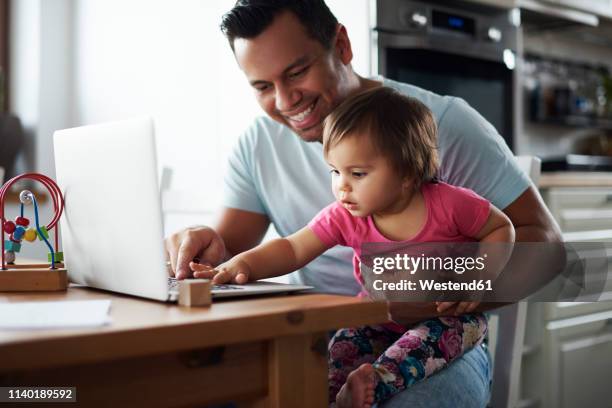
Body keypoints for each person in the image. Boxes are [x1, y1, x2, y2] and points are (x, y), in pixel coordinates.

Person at [164, 1, 562, 406]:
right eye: (263, 87)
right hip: (329, 332)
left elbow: (547, 249)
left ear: (341, 45)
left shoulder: (440, 126)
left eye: (297, 72)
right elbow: (237, 252)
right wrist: (207, 247)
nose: (284, 101)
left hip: (441, 339)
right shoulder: (259, 143)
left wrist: (451, 288)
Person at [189, 87, 515, 407]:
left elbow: (501, 227)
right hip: (376, 316)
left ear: (408, 172)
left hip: (451, 319)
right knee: (340, 347)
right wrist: (240, 266)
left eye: (357, 173)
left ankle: (373, 381)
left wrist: (479, 276)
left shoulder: (451, 204)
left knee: (419, 348)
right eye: (335, 171)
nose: (341, 186)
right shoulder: (346, 216)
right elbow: (292, 248)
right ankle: (341, 395)